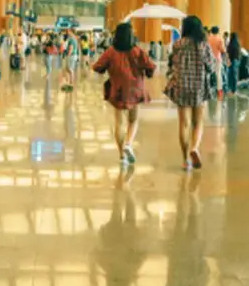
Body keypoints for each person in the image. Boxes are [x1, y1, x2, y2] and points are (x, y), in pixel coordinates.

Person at [93, 22, 155, 165]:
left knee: (118, 123)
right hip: (135, 89)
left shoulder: (111, 51)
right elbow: (150, 66)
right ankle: (128, 143)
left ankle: (122, 155)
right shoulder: (137, 51)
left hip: (118, 89)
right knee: (133, 120)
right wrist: (148, 73)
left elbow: (97, 67)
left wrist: (108, 70)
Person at [165, 16, 216, 170]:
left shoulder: (178, 44)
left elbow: (173, 64)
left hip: (182, 85)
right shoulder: (203, 45)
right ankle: (194, 148)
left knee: (184, 123)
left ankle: (185, 159)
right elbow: (211, 67)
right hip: (199, 86)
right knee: (198, 122)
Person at [207, 26, 225, 97]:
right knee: (218, 74)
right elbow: (222, 50)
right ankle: (219, 91)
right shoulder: (220, 39)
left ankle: (207, 89)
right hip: (217, 59)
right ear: (218, 31)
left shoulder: (208, 38)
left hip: (209, 58)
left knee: (208, 74)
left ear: (211, 31)